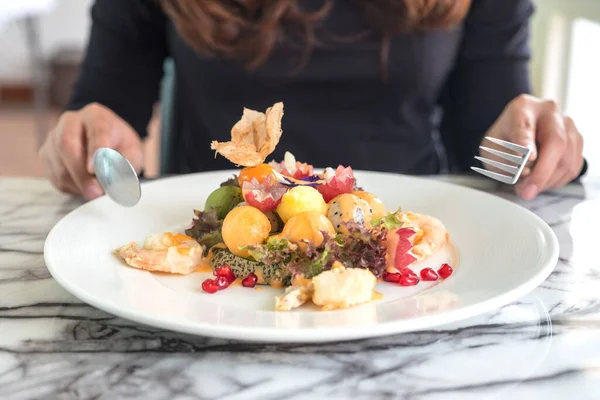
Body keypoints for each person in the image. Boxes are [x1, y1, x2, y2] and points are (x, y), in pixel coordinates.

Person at [39, 0, 586, 202]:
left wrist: (530, 141)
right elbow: (107, 111)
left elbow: (485, 140)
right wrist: (93, 139)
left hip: (408, 249)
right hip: (207, 250)